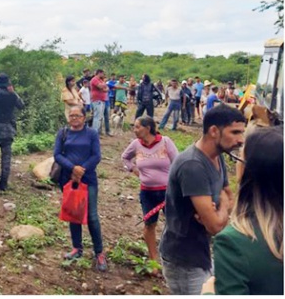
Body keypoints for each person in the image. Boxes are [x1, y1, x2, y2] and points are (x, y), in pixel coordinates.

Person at [159, 104, 245, 295]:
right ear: (214, 131)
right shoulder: (193, 166)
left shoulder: (218, 155)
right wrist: (221, 211)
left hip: (203, 252)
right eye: (235, 132)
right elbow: (215, 226)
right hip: (185, 260)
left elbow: (228, 195)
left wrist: (218, 211)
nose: (241, 140)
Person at [201, 126, 283, 295]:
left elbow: (215, 226)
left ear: (248, 170)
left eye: (239, 157)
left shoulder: (233, 243)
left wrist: (208, 294)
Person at [53, 106, 107, 271]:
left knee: (91, 216)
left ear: (84, 117)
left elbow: (96, 155)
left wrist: (81, 169)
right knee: (73, 213)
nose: (74, 118)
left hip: (88, 178)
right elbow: (57, 155)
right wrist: (72, 168)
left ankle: (99, 252)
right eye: (71, 115)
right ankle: (77, 248)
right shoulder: (63, 133)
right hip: (68, 179)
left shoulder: (91, 134)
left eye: (77, 115)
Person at [121, 116, 177, 265]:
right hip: (147, 192)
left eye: (138, 127)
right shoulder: (136, 145)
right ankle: (154, 261)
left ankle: (172, 257)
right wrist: (133, 169)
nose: (135, 130)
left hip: (168, 192)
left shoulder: (165, 142)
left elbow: (178, 163)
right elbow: (125, 158)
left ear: (148, 128)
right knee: (149, 225)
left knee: (174, 224)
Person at [90, 69, 109, 136]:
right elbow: (101, 86)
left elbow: (107, 89)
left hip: (102, 100)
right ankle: (94, 133)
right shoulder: (94, 79)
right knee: (97, 117)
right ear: (99, 73)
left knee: (100, 117)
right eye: (102, 73)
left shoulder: (101, 80)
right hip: (97, 100)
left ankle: (97, 132)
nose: (103, 75)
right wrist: (104, 84)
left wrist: (103, 85)